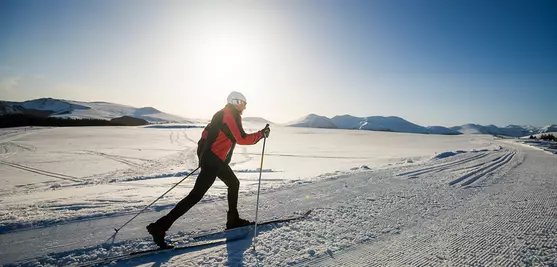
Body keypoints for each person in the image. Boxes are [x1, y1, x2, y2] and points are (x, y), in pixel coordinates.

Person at [146, 91, 271, 248]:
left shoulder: (223, 114)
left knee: (233, 183)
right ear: (235, 101)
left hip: (214, 160)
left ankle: (233, 220)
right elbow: (241, 138)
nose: (245, 107)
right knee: (195, 196)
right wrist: (261, 134)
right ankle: (160, 227)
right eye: (243, 103)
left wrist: (206, 157)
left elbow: (210, 136)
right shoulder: (230, 114)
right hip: (213, 161)